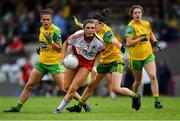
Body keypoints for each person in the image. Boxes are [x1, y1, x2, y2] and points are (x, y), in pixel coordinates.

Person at [66, 8, 141, 112]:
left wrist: (121, 47)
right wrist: (78, 23)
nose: (92, 27)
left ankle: (135, 96)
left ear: (101, 24)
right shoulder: (92, 29)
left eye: (95, 25)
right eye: (92, 24)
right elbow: (85, 26)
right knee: (91, 86)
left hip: (115, 61)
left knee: (116, 88)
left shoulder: (107, 31)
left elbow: (114, 41)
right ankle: (79, 106)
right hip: (103, 62)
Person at [3, 8, 64, 112]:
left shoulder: (56, 30)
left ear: (51, 20)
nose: (45, 21)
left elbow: (60, 48)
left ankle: (82, 103)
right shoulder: (41, 29)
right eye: (44, 20)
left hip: (53, 63)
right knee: (29, 85)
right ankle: (17, 108)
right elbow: (44, 44)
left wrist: (51, 42)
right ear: (40, 20)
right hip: (42, 63)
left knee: (64, 88)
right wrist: (40, 49)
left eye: (48, 19)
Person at [54, 19, 105, 113]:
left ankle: (58, 109)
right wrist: (62, 58)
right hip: (74, 60)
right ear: (84, 29)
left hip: (87, 64)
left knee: (73, 88)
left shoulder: (99, 42)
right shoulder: (77, 36)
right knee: (66, 87)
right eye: (88, 28)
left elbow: (99, 53)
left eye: (92, 28)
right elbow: (66, 43)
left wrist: (95, 66)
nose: (90, 30)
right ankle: (84, 103)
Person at [125, 5, 163, 109]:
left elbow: (150, 33)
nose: (137, 14)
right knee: (138, 81)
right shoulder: (130, 27)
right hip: (135, 58)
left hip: (148, 54)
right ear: (132, 15)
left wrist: (154, 41)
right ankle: (134, 97)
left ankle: (157, 101)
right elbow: (128, 43)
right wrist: (140, 39)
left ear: (142, 13)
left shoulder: (146, 23)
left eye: (139, 12)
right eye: (135, 13)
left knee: (153, 76)